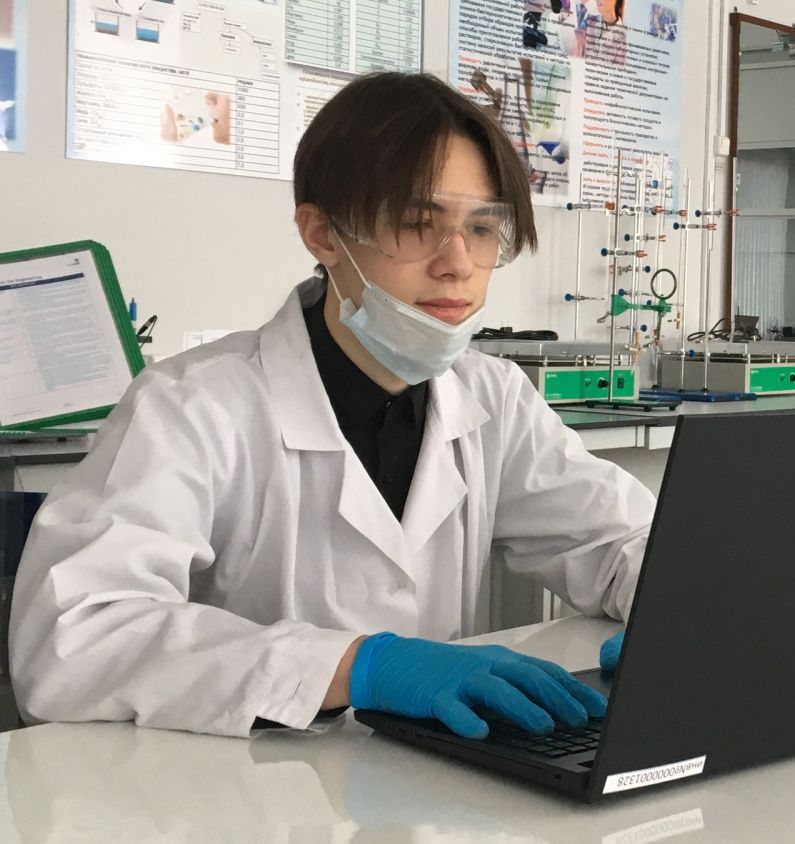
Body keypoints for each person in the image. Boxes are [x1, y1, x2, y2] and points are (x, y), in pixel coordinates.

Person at [7, 72, 651, 740]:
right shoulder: (192, 407)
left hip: (433, 775)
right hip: (228, 781)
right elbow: (70, 637)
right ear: (322, 234)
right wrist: (354, 666)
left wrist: (671, 613)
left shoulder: (494, 398)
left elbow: (621, 541)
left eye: (483, 228)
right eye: (417, 224)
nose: (458, 263)